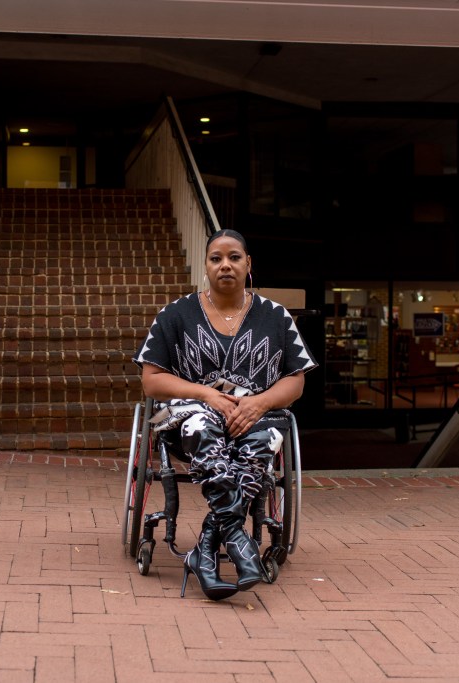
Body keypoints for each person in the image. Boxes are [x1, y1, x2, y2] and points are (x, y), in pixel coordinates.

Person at [134, 229, 317, 600]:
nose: (225, 265)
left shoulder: (275, 317)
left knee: (265, 438)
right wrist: (205, 394)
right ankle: (235, 534)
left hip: (256, 418)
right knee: (202, 422)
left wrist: (260, 402)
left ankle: (207, 547)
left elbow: (295, 382)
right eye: (216, 258)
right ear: (206, 266)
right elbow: (151, 382)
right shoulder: (175, 314)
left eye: (234, 257)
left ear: (248, 264)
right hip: (189, 421)